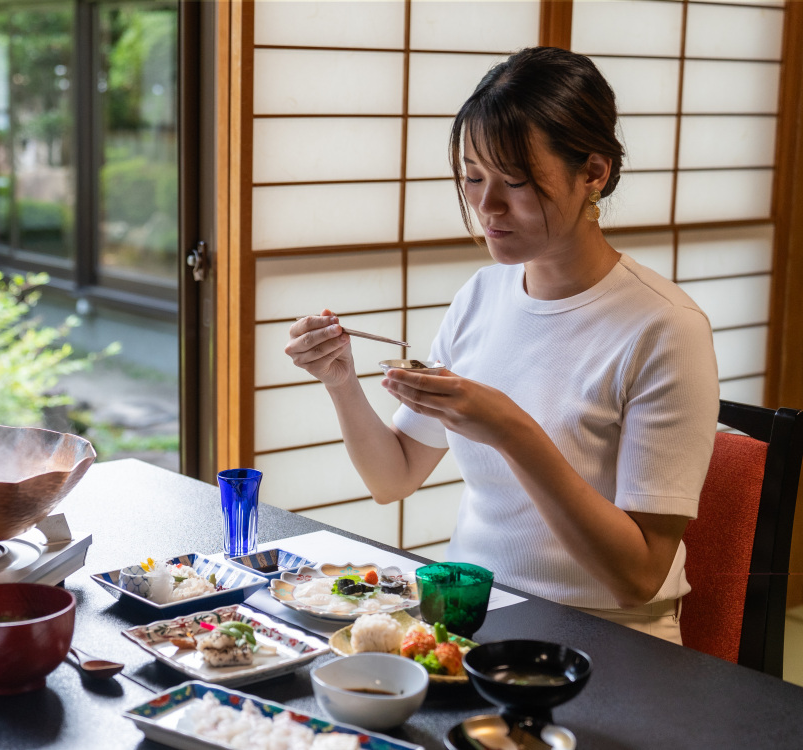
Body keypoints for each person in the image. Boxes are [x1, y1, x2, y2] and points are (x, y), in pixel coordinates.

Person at [284, 47, 719, 644]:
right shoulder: (482, 296)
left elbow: (638, 576)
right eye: (472, 177)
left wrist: (512, 431)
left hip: (610, 639)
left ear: (594, 172)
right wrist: (340, 379)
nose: (486, 206)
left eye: (514, 182)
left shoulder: (665, 328)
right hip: (468, 621)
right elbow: (395, 477)